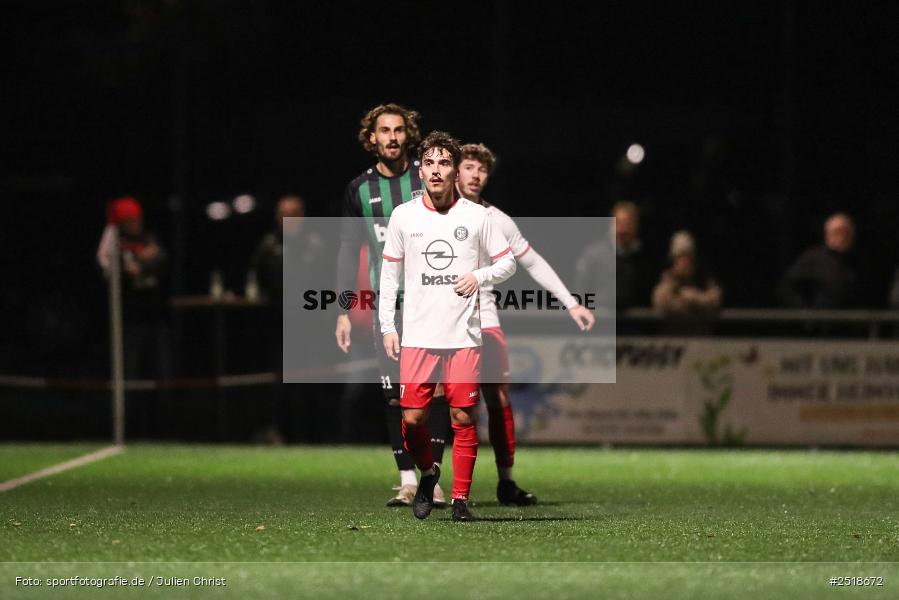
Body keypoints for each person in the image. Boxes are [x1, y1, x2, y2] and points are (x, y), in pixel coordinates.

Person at [379, 131, 516, 522]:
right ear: (420, 170)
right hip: (418, 336)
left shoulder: (477, 217)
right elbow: (389, 277)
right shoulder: (404, 215)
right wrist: (388, 326)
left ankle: (460, 501)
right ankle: (429, 472)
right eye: (430, 163)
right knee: (412, 419)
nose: (436, 170)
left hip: (464, 336)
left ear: (455, 171)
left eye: (444, 163)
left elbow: (508, 263)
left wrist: (480, 275)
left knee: (462, 418)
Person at [455, 142, 595, 505]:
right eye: (469, 166)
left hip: (483, 318)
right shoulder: (429, 213)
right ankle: (432, 482)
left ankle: (505, 481)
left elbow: (532, 262)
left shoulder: (496, 219)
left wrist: (571, 303)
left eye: (482, 169)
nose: (476, 175)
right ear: (455, 170)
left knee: (496, 397)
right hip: (437, 321)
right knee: (441, 401)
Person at [335, 104, 450, 507]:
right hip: (387, 308)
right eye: (384, 130)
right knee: (394, 397)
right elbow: (349, 251)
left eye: (399, 130)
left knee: (434, 395)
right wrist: (343, 310)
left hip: (433, 303)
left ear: (408, 135)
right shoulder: (359, 189)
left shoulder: (428, 177)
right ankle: (406, 480)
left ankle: (431, 478)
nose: (392, 137)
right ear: (372, 138)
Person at [96, 196, 171, 437]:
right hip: (129, 323)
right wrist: (140, 260)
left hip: (155, 320)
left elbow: (162, 262)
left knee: (160, 377)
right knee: (130, 378)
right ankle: (127, 432)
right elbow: (111, 271)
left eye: (137, 218)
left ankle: (159, 432)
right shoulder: (115, 243)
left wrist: (144, 265)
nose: (135, 223)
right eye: (129, 219)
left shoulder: (151, 238)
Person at [575, 201, 651, 311]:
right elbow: (580, 290)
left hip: (635, 323)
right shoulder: (593, 255)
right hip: (600, 320)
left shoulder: (644, 257)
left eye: (628, 223)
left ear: (636, 225)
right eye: (619, 223)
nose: (623, 229)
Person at [779, 213, 861, 308]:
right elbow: (785, 287)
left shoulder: (857, 260)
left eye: (846, 232)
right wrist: (805, 311)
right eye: (837, 232)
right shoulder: (814, 257)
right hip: (823, 320)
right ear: (827, 234)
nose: (842, 237)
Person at [652, 230, 722, 324]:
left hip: (700, 336)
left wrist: (693, 297)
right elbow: (663, 302)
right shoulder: (668, 280)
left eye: (688, 258)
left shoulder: (702, 279)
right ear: (674, 260)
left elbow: (715, 300)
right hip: (674, 336)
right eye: (680, 258)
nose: (685, 263)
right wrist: (688, 301)